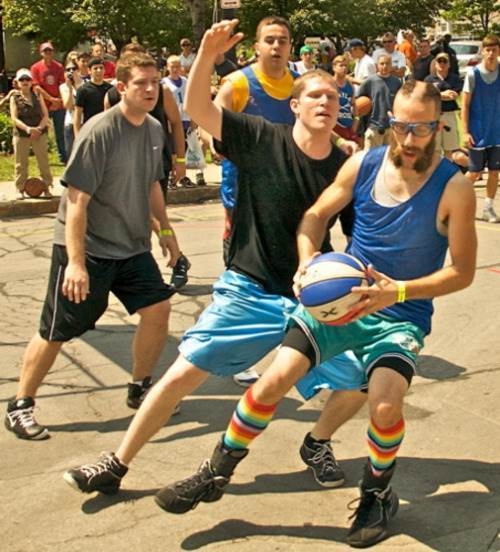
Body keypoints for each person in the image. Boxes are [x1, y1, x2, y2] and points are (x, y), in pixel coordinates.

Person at [156, 80, 477, 549]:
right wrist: (308, 260)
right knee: (271, 382)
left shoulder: (455, 187)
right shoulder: (363, 164)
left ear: (438, 126)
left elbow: (464, 272)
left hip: (400, 314)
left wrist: (398, 292)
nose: (411, 140)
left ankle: (376, 491)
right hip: (341, 303)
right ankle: (215, 472)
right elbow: (314, 217)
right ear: (389, 124)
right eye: (402, 127)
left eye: (423, 128)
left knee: (385, 406)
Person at [62, 19, 365, 497]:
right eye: (314, 96)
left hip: (311, 295)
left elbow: (359, 235)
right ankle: (116, 463)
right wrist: (206, 53)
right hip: (250, 287)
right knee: (182, 373)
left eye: (332, 97)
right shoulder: (262, 137)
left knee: (360, 380)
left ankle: (317, 442)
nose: (325, 103)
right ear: (295, 106)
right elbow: (196, 107)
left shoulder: (346, 168)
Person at [4, 52, 181, 441]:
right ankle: (20, 404)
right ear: (122, 88)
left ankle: (140, 386)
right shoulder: (100, 131)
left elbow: (152, 185)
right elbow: (77, 202)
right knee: (57, 329)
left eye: (156, 83)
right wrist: (76, 263)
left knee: (158, 308)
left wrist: (166, 234)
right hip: (87, 247)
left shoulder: (153, 130)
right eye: (141, 83)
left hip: (132, 247)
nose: (151, 89)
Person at [461, 34, 500, 223]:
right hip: (477, 132)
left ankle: (488, 208)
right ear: (482, 51)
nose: (491, 53)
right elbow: (465, 105)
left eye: (494, 49)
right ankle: (451, 200)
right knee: (474, 173)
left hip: (497, 131)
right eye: (488, 49)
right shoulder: (473, 74)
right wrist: (466, 131)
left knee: (494, 172)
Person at [162, 54, 206, 188]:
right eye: (172, 66)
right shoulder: (164, 83)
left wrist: (194, 119)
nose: (175, 69)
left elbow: (191, 100)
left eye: (177, 66)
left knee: (185, 149)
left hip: (186, 118)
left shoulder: (186, 81)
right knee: (173, 150)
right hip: (172, 119)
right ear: (167, 68)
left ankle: (183, 176)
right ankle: (172, 176)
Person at [9, 68, 53, 199]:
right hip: (22, 134)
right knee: (21, 163)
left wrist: (39, 129)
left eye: (27, 79)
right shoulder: (14, 97)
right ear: (17, 82)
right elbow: (14, 118)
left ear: (31, 81)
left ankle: (47, 186)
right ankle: (20, 188)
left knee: (43, 161)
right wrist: (28, 129)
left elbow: (45, 115)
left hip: (39, 132)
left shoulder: (38, 95)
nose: (25, 82)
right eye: (22, 79)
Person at [30, 42, 67, 163]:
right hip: (43, 105)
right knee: (41, 132)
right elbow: (36, 87)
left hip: (58, 105)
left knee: (60, 132)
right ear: (41, 53)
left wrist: (58, 100)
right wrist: (51, 99)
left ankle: (63, 157)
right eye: (45, 51)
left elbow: (63, 84)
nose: (48, 53)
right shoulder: (35, 68)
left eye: (50, 51)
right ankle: (42, 156)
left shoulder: (59, 67)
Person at [359, 54, 402, 149]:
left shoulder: (397, 82)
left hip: (391, 128)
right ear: (377, 65)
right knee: (370, 159)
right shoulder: (370, 81)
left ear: (391, 66)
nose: (384, 66)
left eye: (387, 64)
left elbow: (400, 103)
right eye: (382, 63)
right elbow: (359, 100)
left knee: (389, 160)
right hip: (373, 127)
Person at [425, 52, 461, 160]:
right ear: (435, 64)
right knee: (434, 149)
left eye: (444, 61)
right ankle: (435, 174)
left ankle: (446, 174)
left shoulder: (455, 79)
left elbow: (453, 95)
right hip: (433, 116)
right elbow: (427, 97)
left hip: (449, 115)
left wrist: (436, 95)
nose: (442, 63)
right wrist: (442, 94)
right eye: (439, 61)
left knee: (449, 149)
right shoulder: (428, 80)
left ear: (449, 64)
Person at [73, 58, 113, 135]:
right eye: (95, 68)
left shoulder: (110, 89)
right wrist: (77, 136)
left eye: (101, 68)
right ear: (89, 71)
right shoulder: (83, 90)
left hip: (107, 129)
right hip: (89, 129)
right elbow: (77, 115)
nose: (99, 71)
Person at [332, 54, 358, 144]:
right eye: (341, 65)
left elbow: (354, 105)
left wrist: (356, 121)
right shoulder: (329, 84)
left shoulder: (350, 85)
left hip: (348, 124)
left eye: (346, 65)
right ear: (334, 67)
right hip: (335, 125)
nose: (344, 68)